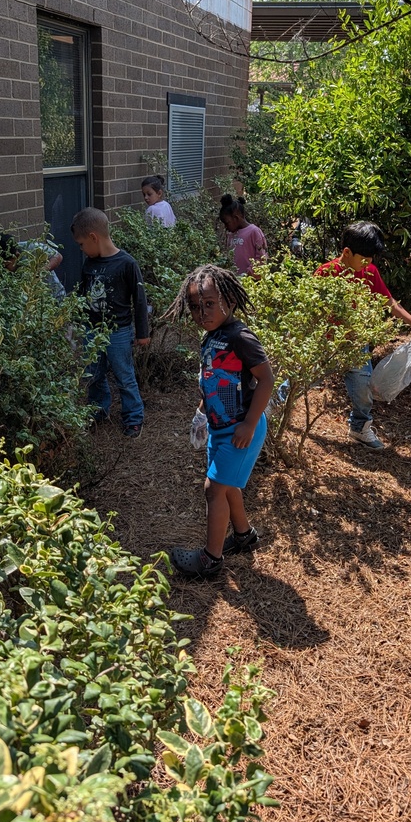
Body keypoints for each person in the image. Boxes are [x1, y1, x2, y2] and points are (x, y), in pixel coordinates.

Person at [164, 264, 274, 578]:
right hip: (219, 428)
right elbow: (212, 379)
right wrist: (202, 412)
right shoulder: (212, 336)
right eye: (196, 307)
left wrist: (249, 425)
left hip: (241, 429)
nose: (203, 312)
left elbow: (266, 380)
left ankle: (210, 560)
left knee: (213, 489)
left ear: (230, 300)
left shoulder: (240, 336)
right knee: (226, 488)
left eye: (210, 304)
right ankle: (244, 535)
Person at [316, 221, 411, 450]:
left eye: (370, 259)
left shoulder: (369, 272)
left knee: (363, 389)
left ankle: (359, 427)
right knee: (302, 378)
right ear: (347, 252)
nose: (368, 264)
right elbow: (313, 310)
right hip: (326, 344)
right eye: (364, 258)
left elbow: (388, 301)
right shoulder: (326, 273)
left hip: (356, 345)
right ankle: (273, 411)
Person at [71, 207, 150, 437]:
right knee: (93, 374)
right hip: (91, 331)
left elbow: (140, 299)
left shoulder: (126, 263)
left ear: (94, 238)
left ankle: (134, 417)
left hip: (119, 332)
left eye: (82, 244)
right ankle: (98, 410)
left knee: (124, 375)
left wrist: (142, 332)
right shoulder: (89, 265)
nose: (82, 249)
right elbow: (83, 296)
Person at [0, 231, 66, 302]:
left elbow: (57, 256)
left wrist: (38, 273)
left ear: (17, 255)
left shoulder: (29, 248)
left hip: (53, 298)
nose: (3, 270)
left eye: (6, 266)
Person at [219, 193, 268, 276]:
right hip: (234, 281)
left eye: (227, 223)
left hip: (251, 283)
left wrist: (247, 274)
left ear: (236, 218)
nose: (225, 227)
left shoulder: (254, 232)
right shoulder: (230, 234)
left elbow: (262, 258)